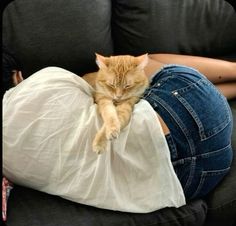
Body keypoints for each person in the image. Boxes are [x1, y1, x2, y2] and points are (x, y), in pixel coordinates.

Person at [2, 49, 236, 204]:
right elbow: (93, 86)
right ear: (18, 76)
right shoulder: (43, 79)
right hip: (203, 112)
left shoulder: (6, 164)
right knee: (144, 65)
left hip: (194, 181)